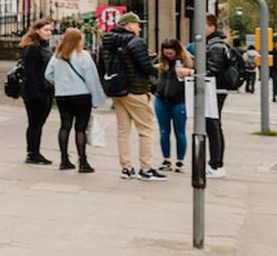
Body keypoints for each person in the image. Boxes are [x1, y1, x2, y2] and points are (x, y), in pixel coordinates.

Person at [101, 12, 166, 181]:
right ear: (129, 25)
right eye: (137, 25)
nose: (139, 28)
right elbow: (145, 68)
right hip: (135, 90)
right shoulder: (135, 42)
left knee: (123, 131)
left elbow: (103, 66)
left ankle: (126, 167)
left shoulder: (107, 43)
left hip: (116, 90)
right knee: (146, 130)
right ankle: (146, 168)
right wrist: (156, 69)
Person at [45, 28, 106, 172]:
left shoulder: (57, 56)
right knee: (80, 129)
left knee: (65, 126)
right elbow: (91, 79)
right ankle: (83, 162)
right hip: (81, 96)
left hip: (63, 96)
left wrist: (60, 83)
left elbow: (48, 75)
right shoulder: (83, 55)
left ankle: (64, 160)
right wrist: (96, 99)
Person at [18, 19, 57, 165]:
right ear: (37, 30)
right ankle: (32, 153)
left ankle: (34, 151)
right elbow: (30, 73)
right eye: (46, 30)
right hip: (36, 92)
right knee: (35, 123)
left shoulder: (43, 46)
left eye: (50, 30)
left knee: (38, 123)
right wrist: (35, 94)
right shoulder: (33, 48)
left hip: (45, 90)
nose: (49, 33)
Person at [202, 15, 234, 177]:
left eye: (203, 25)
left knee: (213, 126)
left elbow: (213, 70)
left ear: (212, 27)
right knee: (214, 126)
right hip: (216, 89)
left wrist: (195, 74)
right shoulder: (215, 44)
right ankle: (216, 163)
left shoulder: (215, 46)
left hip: (215, 89)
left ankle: (215, 164)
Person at [152, 39, 191, 173]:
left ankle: (180, 161)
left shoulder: (188, 61)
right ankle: (166, 159)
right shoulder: (161, 62)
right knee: (164, 131)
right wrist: (155, 86)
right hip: (161, 99)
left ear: (177, 50)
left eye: (171, 53)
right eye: (166, 53)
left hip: (180, 101)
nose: (169, 55)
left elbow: (200, 75)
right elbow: (149, 72)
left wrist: (189, 72)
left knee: (180, 132)